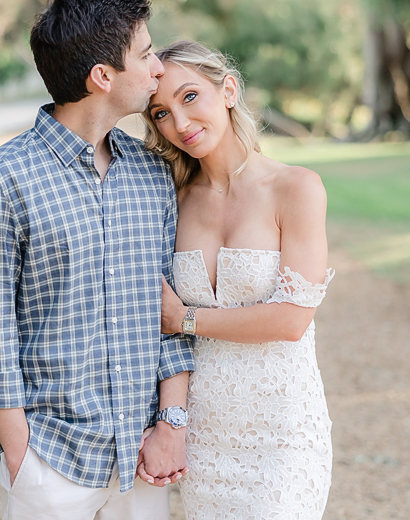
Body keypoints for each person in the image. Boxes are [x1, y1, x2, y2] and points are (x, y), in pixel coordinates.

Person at [0, 0, 194, 520]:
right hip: (51, 462)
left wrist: (171, 425)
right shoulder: (2, 182)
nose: (159, 68)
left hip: (141, 458)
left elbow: (169, 314)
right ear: (103, 76)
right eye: (147, 53)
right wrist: (21, 458)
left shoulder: (153, 175)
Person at [142, 40, 334, 520]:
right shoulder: (173, 200)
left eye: (190, 98)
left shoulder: (296, 188)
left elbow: (291, 320)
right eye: (161, 113)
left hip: (284, 431)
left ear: (227, 89)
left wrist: (182, 318)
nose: (180, 124)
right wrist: (174, 424)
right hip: (206, 434)